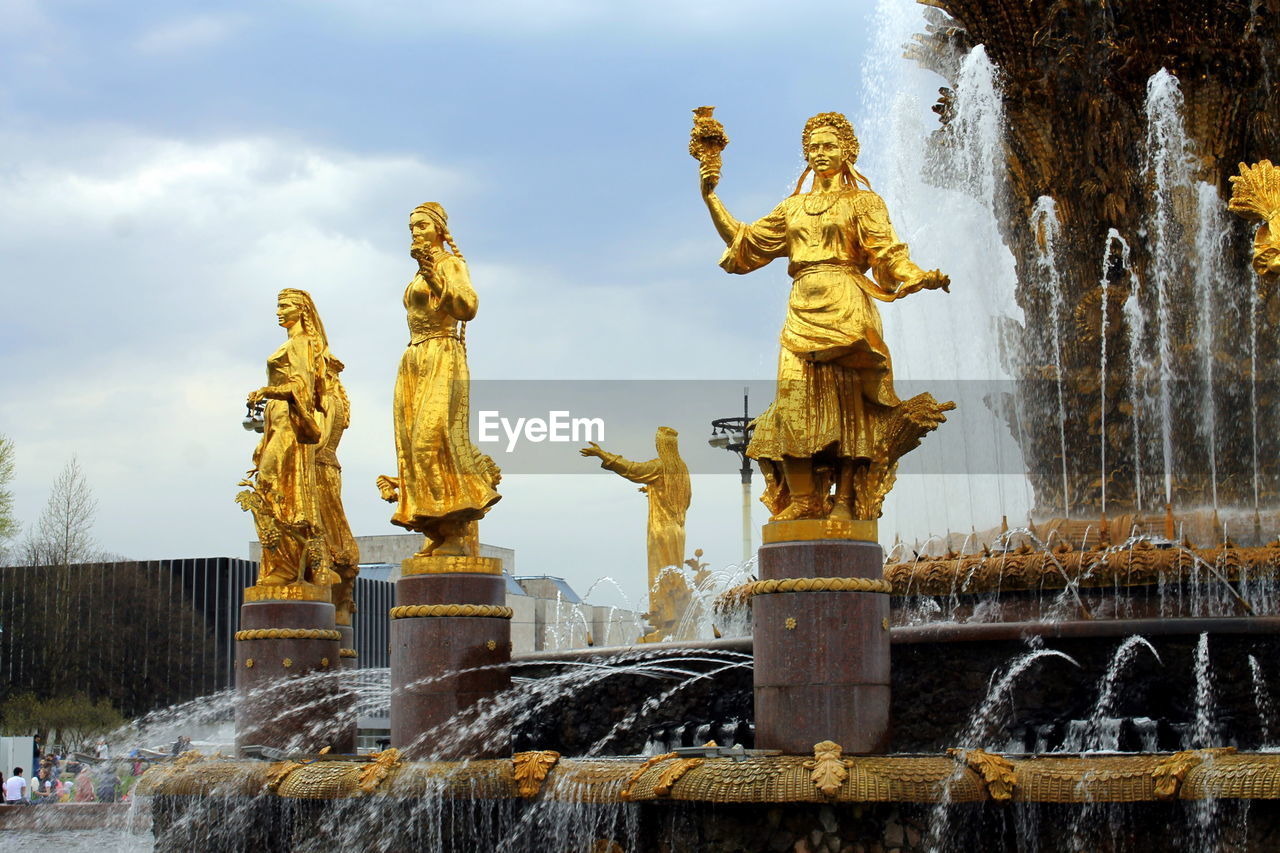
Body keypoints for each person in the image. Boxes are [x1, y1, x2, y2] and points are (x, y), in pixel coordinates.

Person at [699, 111, 950, 521]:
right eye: (813, 147)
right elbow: (746, 242)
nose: (820, 153)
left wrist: (918, 276)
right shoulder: (793, 208)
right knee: (792, 401)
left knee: (851, 407)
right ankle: (803, 499)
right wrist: (710, 197)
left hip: (848, 303)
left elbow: (887, 255)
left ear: (847, 150)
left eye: (829, 145)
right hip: (802, 306)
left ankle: (846, 501)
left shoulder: (864, 202)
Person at [377, 202, 500, 557]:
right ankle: (436, 530)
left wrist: (433, 275)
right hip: (414, 359)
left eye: (421, 225)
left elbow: (468, 308)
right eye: (411, 227)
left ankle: (456, 530)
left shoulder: (450, 265)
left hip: (442, 354)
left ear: (440, 230)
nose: (415, 232)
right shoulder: (417, 274)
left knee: (431, 440)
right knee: (411, 446)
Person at [240, 289, 333, 586]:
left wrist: (266, 391)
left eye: (284, 306)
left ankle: (288, 566)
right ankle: (281, 565)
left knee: (276, 488)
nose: (278, 311)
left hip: (289, 424)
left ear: (301, 310)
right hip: (276, 422)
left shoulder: (302, 343)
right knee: (272, 488)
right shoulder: (292, 343)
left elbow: (301, 386)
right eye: (278, 306)